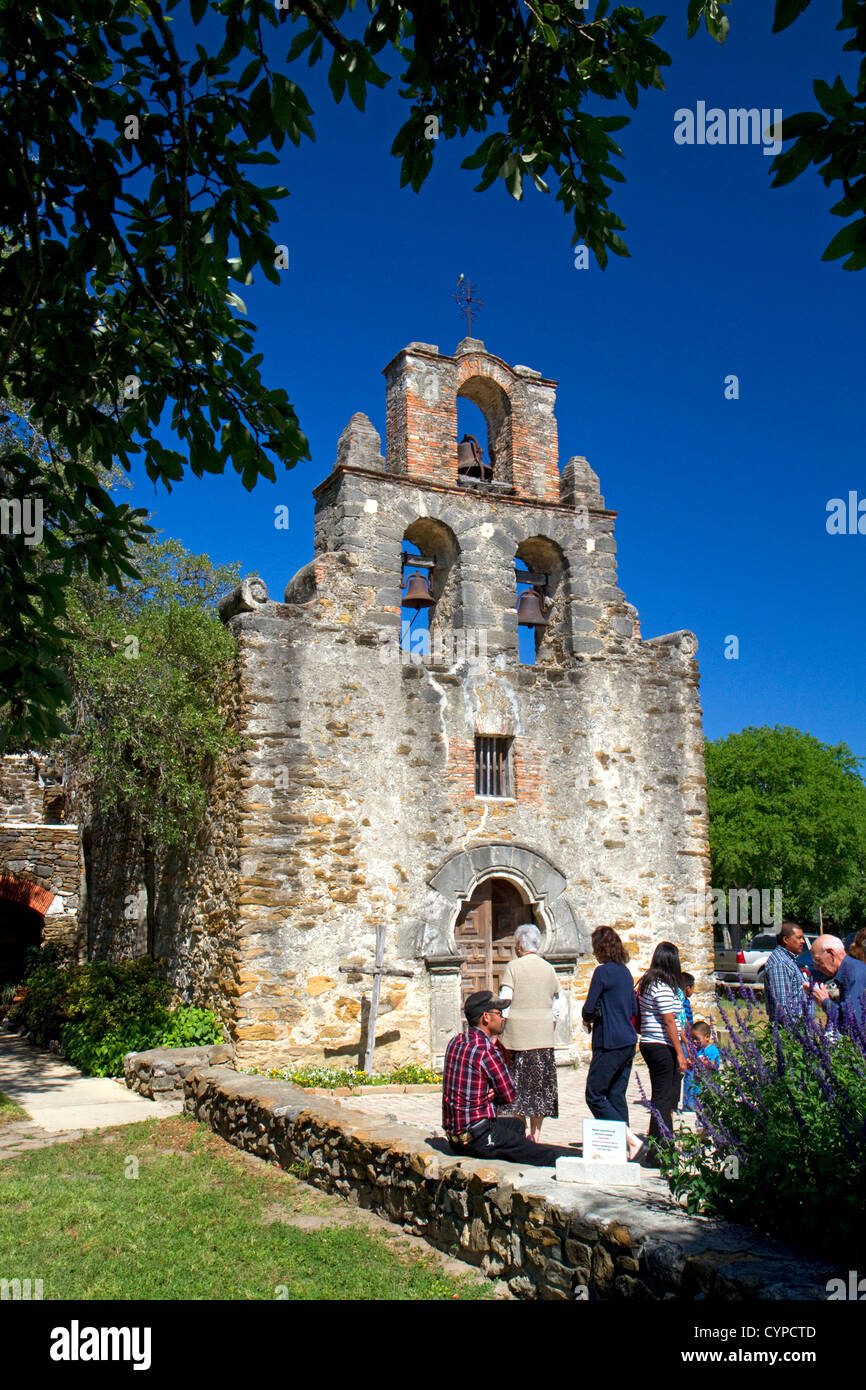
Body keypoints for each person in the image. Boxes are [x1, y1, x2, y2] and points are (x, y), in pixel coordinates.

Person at [441, 990, 575, 1167]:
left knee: (516, 1126)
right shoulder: (486, 1050)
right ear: (486, 1018)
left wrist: (489, 1092)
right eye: (499, 1013)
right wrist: (494, 1093)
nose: (503, 1018)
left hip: (455, 1137)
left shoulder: (456, 1041)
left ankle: (512, 1152)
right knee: (544, 1154)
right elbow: (509, 1095)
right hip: (478, 1138)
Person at [580, 926, 646, 1162]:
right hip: (628, 1040)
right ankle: (625, 1149)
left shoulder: (602, 972)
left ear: (600, 948)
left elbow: (589, 1008)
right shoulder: (625, 973)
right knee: (616, 1094)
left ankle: (630, 1140)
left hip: (609, 1041)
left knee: (595, 1094)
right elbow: (633, 1008)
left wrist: (588, 1019)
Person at [497, 923, 560, 1142]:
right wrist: (547, 1024)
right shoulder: (548, 968)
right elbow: (556, 1005)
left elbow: (506, 999)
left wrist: (501, 1023)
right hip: (542, 1038)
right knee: (539, 1089)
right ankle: (537, 1133)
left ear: (521, 944)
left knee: (517, 1088)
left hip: (517, 1038)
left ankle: (522, 1131)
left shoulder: (513, 967)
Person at [637, 941, 690, 1159]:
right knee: (664, 1097)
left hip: (652, 1043)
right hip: (661, 1045)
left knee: (661, 1095)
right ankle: (662, 1149)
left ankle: (656, 1144)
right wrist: (680, 1053)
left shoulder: (649, 982)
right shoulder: (661, 985)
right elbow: (669, 1021)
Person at [763, 922, 814, 1024]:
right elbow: (783, 1006)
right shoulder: (779, 963)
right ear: (785, 940)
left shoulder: (789, 961)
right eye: (799, 938)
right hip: (789, 1034)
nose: (803, 941)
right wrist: (796, 1034)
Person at [811, 935, 866, 1025]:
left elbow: (853, 1022)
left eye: (817, 960)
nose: (815, 967)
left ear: (831, 953)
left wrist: (825, 1002)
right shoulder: (851, 969)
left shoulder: (854, 974)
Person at [687, 1021, 720, 1106]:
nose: (694, 1041)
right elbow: (691, 1067)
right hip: (698, 1082)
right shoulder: (696, 1050)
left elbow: (714, 1065)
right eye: (692, 1038)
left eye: (696, 1038)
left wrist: (702, 1061)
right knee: (698, 1105)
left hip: (710, 1083)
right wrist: (689, 1064)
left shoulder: (713, 1050)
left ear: (707, 1037)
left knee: (710, 1105)